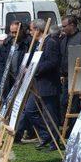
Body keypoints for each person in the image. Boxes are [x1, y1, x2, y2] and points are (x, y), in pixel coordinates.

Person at [19, 20, 61, 151]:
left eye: (31, 30)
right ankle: (46, 135)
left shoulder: (51, 42)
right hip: (37, 84)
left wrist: (34, 69)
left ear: (37, 30)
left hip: (48, 85)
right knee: (30, 111)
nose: (30, 32)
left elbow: (52, 62)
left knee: (50, 115)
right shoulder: (37, 43)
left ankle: (55, 142)